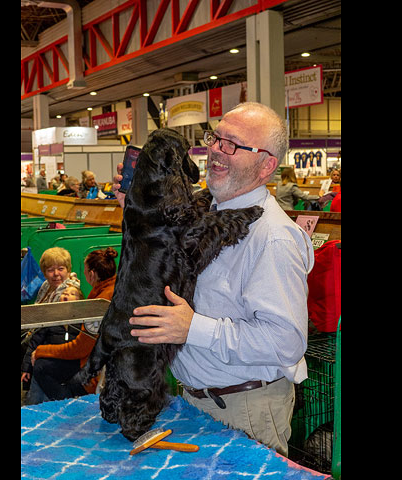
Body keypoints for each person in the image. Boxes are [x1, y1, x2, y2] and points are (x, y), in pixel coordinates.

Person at [111, 103, 314, 457]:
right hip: (196, 400)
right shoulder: (210, 209)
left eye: (233, 145)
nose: (217, 150)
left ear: (267, 164)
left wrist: (193, 329)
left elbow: (286, 342)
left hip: (244, 411)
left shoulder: (273, 238)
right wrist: (137, 205)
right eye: (216, 138)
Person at [31, 247, 118, 401]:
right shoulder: (113, 289)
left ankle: (64, 404)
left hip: (100, 364)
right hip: (102, 357)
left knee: (41, 366)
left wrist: (41, 350)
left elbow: (79, 349)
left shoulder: (99, 303)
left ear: (91, 274)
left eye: (84, 271)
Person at [21, 248, 82, 404]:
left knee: (33, 357)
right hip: (40, 332)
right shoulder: (46, 286)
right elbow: (37, 311)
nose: (56, 274)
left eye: (61, 269)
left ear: (68, 270)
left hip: (56, 342)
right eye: (50, 270)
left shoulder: (68, 292)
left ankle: (34, 400)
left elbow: (48, 325)